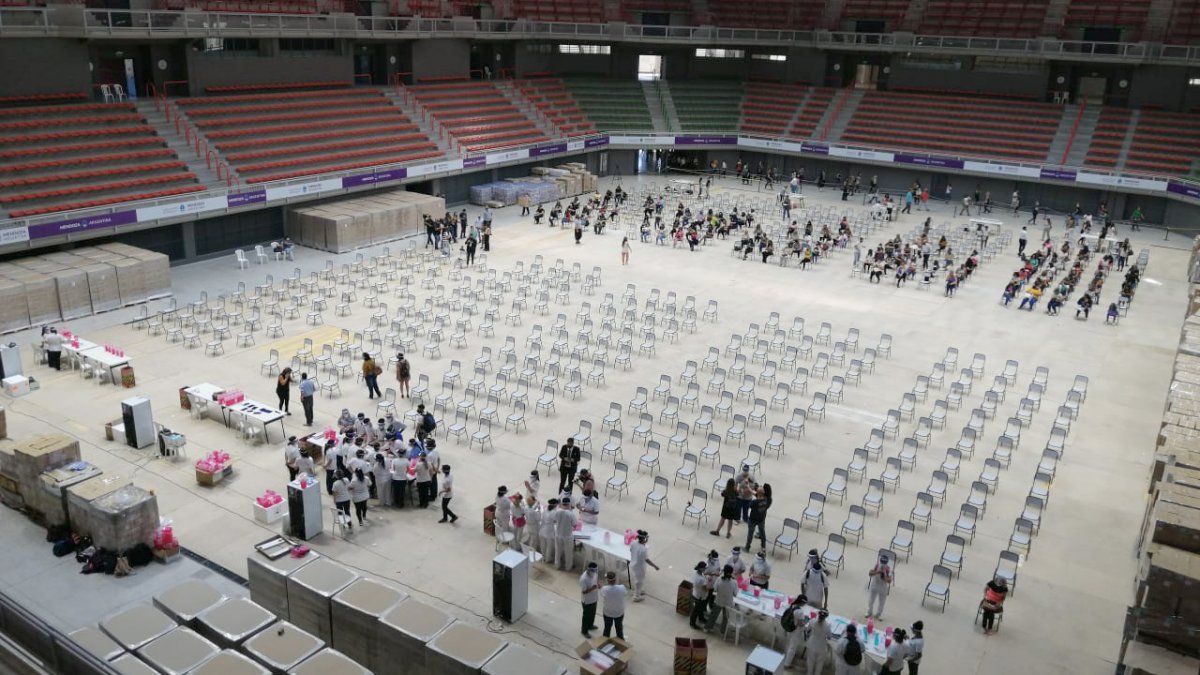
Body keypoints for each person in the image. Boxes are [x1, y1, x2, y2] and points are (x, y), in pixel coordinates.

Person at [705, 564, 737, 634]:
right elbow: (735, 594)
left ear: (724, 571)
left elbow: (715, 589)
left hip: (718, 601)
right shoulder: (734, 582)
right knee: (726, 618)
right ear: (731, 573)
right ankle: (723, 631)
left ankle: (707, 628)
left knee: (713, 615)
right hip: (728, 603)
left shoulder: (719, 579)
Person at [630, 530, 660, 602]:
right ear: (644, 539)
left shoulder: (633, 542)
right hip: (640, 567)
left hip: (633, 564)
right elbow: (647, 560)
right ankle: (636, 596)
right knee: (639, 581)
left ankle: (639, 590)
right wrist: (655, 566)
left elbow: (631, 550)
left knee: (638, 580)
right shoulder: (643, 549)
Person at [780, 594, 809, 669]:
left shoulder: (791, 605)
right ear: (802, 603)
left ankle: (785, 657)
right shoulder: (800, 612)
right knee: (792, 648)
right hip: (795, 631)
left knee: (788, 644)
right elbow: (801, 624)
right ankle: (787, 664)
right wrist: (806, 621)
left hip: (789, 628)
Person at [599, 572, 627, 639]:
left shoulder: (604, 589)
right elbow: (625, 593)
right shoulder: (622, 587)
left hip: (608, 613)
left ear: (608, 580)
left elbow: (602, 593)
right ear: (615, 579)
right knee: (619, 628)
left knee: (607, 628)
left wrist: (601, 587)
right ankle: (620, 641)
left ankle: (605, 641)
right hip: (619, 613)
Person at [744, 484, 772, 551]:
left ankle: (747, 547)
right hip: (761, 519)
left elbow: (749, 506)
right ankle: (763, 546)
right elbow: (754, 493)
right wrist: (748, 487)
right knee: (762, 533)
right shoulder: (768, 499)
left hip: (752, 519)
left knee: (750, 534)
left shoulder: (754, 502)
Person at [866, 553, 893, 619]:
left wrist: (884, 575)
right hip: (874, 584)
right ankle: (869, 612)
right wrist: (877, 572)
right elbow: (870, 573)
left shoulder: (888, 569)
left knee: (882, 602)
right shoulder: (877, 565)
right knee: (871, 600)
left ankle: (878, 614)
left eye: (884, 563)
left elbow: (889, 581)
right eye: (882, 562)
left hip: (883, 587)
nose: (883, 564)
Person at [554, 495, 577, 571]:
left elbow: (554, 520)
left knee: (558, 551)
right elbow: (574, 524)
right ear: (569, 504)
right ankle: (568, 567)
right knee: (568, 553)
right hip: (567, 536)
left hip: (558, 534)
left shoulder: (557, 511)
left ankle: (557, 565)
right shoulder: (570, 514)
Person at [805, 610, 831, 675]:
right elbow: (829, 637)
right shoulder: (828, 625)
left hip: (811, 644)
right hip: (821, 647)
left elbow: (807, 630)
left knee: (810, 662)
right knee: (820, 664)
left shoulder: (812, 621)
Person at [580, 562, 601, 637]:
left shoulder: (595, 573)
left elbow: (596, 580)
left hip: (594, 598)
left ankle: (590, 625)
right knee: (586, 617)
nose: (594, 572)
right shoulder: (584, 579)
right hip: (587, 601)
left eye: (595, 570)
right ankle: (584, 631)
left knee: (592, 614)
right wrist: (592, 588)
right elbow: (584, 592)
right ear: (588, 570)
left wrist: (598, 584)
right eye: (593, 571)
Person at [688, 561, 710, 629]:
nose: (705, 569)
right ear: (701, 568)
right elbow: (705, 589)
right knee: (696, 610)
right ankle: (692, 623)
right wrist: (709, 584)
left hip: (695, 593)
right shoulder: (701, 579)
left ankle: (701, 618)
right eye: (704, 568)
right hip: (700, 596)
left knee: (699, 608)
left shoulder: (695, 572)